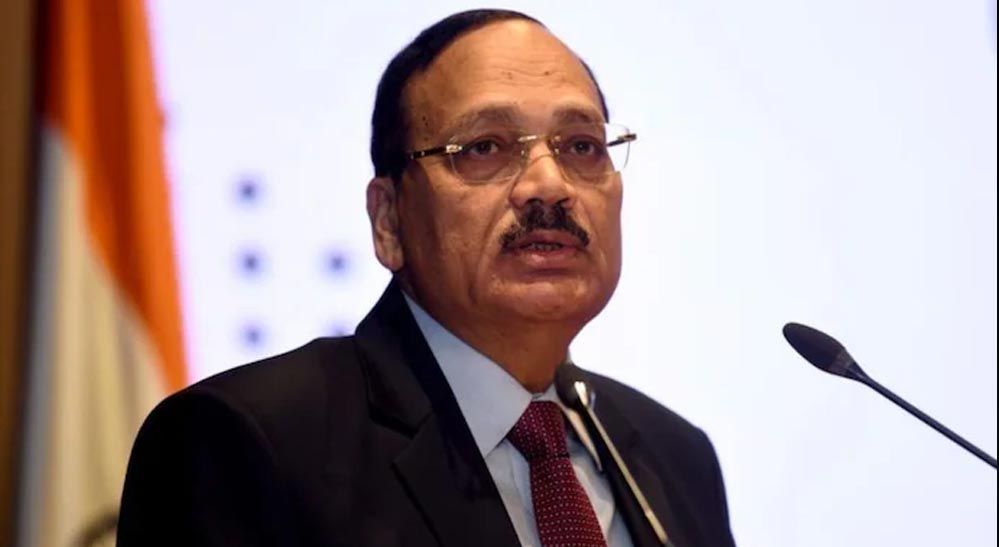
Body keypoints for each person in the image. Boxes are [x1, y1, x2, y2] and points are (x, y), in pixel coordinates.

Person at [117, 9, 737, 547]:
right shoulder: (246, 442)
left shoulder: (675, 458)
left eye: (581, 146)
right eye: (485, 147)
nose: (550, 184)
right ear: (388, 220)